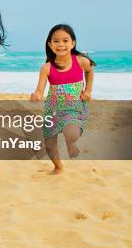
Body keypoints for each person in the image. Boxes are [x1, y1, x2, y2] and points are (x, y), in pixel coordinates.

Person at [30, 24, 95, 174]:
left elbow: (90, 71)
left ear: (73, 43)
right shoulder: (46, 67)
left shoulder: (80, 61)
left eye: (65, 41)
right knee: (49, 145)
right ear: (50, 44)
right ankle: (58, 167)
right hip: (53, 109)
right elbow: (40, 89)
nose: (61, 45)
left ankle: (70, 142)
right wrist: (37, 95)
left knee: (71, 132)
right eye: (56, 41)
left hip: (74, 107)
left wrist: (88, 90)